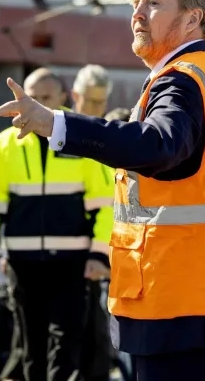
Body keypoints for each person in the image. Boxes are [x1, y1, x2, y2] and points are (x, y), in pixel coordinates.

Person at [0, 0, 205, 381]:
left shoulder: (181, 82)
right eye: (135, 4)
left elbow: (158, 146)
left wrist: (57, 123)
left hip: (184, 308)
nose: (136, 14)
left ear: (194, 19)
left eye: (153, 4)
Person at [0, 68, 113, 381]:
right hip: (24, 266)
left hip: (74, 266)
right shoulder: (4, 145)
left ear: (64, 98)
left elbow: (105, 205)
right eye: (31, 97)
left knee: (66, 351)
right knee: (31, 351)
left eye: (45, 98)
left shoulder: (80, 140)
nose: (35, 104)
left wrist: (98, 255)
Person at [70, 65, 116, 381]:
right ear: (76, 96)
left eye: (101, 102)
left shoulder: (104, 138)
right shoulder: (61, 134)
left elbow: (109, 206)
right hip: (57, 258)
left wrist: (99, 255)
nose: (97, 108)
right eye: (91, 100)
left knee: (95, 345)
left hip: (90, 263)